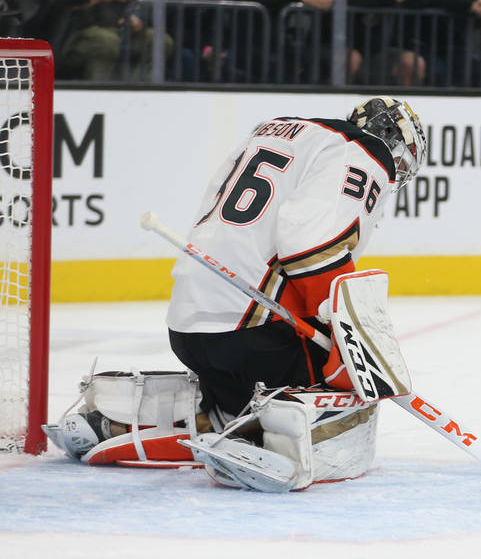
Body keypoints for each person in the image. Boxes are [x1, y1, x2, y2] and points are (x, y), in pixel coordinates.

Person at [45, 97, 427, 491]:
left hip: (188, 328)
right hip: (252, 332)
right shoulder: (365, 153)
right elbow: (311, 248)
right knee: (354, 381)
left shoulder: (276, 131)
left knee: (235, 404)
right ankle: (277, 442)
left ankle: (124, 424)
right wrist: (348, 334)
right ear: (396, 143)